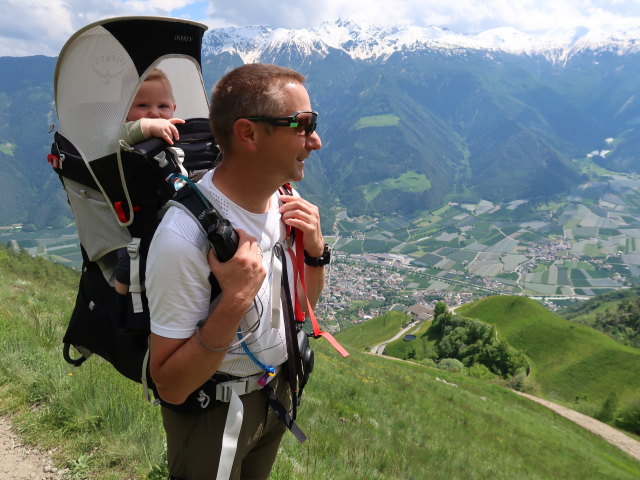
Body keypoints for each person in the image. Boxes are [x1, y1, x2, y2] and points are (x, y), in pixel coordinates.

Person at [145, 63, 327, 480]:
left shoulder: (285, 200)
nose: (315, 141)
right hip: (215, 408)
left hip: (276, 392)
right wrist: (236, 299)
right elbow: (170, 385)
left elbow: (300, 308)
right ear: (247, 133)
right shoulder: (183, 237)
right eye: (302, 124)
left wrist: (316, 252)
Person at [116, 68, 185, 295]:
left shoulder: (174, 132)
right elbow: (118, 136)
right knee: (129, 259)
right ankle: (121, 300)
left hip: (171, 215)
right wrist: (146, 127)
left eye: (162, 106)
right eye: (142, 106)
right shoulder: (122, 133)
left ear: (173, 108)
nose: (154, 113)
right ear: (125, 111)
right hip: (134, 225)